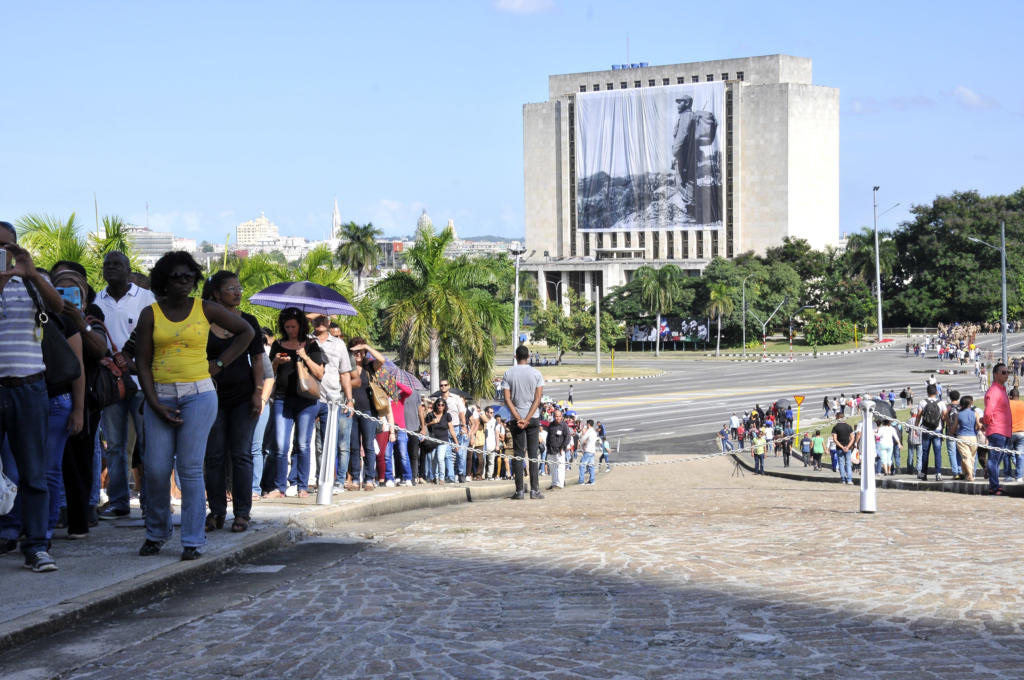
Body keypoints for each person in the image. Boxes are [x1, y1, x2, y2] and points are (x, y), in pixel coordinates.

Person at [135, 252, 254, 560]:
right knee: (157, 470)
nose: (183, 281)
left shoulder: (206, 308)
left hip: (199, 395)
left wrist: (219, 364)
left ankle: (192, 540)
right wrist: (154, 403)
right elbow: (143, 363)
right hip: (159, 395)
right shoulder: (151, 314)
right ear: (163, 280)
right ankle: (158, 531)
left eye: (189, 276)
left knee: (189, 468)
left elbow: (247, 332)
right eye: (176, 276)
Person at [0, 225, 67, 571]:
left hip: (29, 386)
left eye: (5, 246)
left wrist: (31, 273)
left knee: (33, 473)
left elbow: (59, 309)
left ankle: (37, 546)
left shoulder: (30, 281)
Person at [200, 271, 263, 533]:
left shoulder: (249, 321)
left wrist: (258, 392)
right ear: (215, 293)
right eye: (230, 288)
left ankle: (242, 513)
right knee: (213, 456)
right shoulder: (202, 322)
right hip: (210, 395)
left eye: (239, 287)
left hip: (242, 395)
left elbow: (258, 360)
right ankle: (216, 511)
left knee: (241, 454)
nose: (237, 292)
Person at [94, 251, 156, 520]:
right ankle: (119, 503)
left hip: (141, 384)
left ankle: (150, 503)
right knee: (116, 446)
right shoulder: (97, 300)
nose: (111, 268)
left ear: (128, 269)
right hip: (109, 385)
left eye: (117, 264)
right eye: (107, 265)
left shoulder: (146, 298)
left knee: (148, 444)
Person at [265, 308, 324, 498]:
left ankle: (302, 486)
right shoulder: (278, 344)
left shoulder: (312, 345)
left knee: (302, 444)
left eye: (293, 326)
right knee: (281, 446)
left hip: (307, 401)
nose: (290, 329)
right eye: (286, 326)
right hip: (282, 399)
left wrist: (304, 356)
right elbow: (268, 373)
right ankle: (279, 487)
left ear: (300, 326)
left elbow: (320, 373)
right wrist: (276, 362)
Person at [308, 316, 353, 493]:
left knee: (332, 443)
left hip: (332, 397)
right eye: (316, 318)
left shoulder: (339, 344)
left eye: (323, 319)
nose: (319, 322)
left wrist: (349, 399)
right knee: (307, 443)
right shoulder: (306, 340)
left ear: (328, 322)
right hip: (308, 396)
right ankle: (311, 481)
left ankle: (334, 481)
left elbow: (345, 373)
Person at [502, 345, 545, 500]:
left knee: (518, 454)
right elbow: (538, 399)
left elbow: (507, 398)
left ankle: (519, 490)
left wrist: (519, 417)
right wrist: (527, 418)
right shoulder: (536, 373)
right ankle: (535, 490)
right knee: (533, 454)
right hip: (532, 418)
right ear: (528, 356)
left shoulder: (509, 373)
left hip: (516, 418)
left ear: (515, 357)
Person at [345, 337, 380, 490]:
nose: (358, 354)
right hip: (351, 410)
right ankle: (354, 479)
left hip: (368, 410)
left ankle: (370, 478)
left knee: (368, 446)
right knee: (353, 446)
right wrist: (349, 352)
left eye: (361, 351)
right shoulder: (346, 367)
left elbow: (382, 359)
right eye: (355, 351)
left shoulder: (369, 366)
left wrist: (366, 345)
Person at [982, 363, 1012, 495]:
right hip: (997, 430)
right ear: (995, 374)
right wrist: (987, 423)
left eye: (1007, 372)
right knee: (994, 460)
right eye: (1003, 372)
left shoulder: (1001, 390)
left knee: (996, 460)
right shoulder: (994, 391)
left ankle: (992, 479)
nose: (1006, 375)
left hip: (1004, 431)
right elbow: (988, 412)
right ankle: (994, 487)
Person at [915, 383, 947, 481]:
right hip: (937, 430)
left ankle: (924, 473)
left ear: (927, 392)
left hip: (926, 429)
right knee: (937, 452)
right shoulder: (941, 403)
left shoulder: (922, 402)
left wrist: (916, 427)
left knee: (925, 452)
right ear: (936, 392)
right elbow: (945, 415)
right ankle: (938, 473)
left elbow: (919, 415)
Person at [439, 379, 468, 483]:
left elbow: (461, 413)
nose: (443, 387)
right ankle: (451, 476)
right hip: (444, 429)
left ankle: (461, 473)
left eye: (445, 385)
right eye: (441, 385)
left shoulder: (456, 398)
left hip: (457, 427)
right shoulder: (439, 400)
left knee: (460, 453)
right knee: (447, 454)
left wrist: (464, 426)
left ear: (448, 386)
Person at [422, 398, 455, 484]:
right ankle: (434, 477)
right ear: (435, 405)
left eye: (442, 405)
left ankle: (441, 478)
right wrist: (432, 422)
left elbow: (451, 429)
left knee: (440, 458)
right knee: (433, 459)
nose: (440, 406)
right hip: (432, 440)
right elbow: (424, 426)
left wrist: (456, 442)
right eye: (438, 405)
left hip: (443, 440)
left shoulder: (447, 415)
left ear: (445, 406)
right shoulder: (430, 415)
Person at [545, 408, 569, 490]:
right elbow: (548, 437)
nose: (557, 418)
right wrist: (547, 448)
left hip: (560, 450)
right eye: (556, 416)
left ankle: (560, 484)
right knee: (552, 468)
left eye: (559, 416)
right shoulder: (551, 425)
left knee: (560, 468)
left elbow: (567, 438)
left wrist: (563, 448)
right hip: (551, 450)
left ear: (561, 417)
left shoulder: (564, 425)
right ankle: (554, 483)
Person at [830, 415, 855, 481]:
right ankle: (849, 479)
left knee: (841, 464)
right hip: (848, 448)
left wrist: (842, 447)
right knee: (848, 463)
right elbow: (852, 438)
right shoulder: (849, 426)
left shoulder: (835, 427)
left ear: (837, 418)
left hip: (839, 448)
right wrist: (848, 446)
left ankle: (843, 479)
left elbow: (835, 439)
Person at [1009, 388, 1024, 484]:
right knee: (1020, 455)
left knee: (1008, 454)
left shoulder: (1008, 404)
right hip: (1022, 432)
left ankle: (1008, 475)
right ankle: (1019, 476)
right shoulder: (1023, 404)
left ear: (1010, 396)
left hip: (1010, 432)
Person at [578, 419, 598, 485]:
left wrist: (582, 436)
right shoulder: (594, 432)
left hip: (588, 450)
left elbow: (583, 439)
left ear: (588, 424)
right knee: (591, 466)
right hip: (593, 450)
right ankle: (592, 480)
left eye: (587, 424)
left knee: (582, 466)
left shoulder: (589, 431)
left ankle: (581, 481)